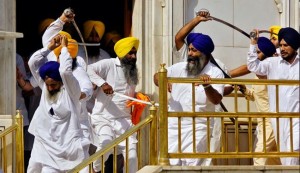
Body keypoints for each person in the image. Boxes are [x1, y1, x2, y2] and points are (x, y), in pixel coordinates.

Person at [153, 10, 225, 166]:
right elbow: (157, 76)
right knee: (170, 164)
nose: (190, 53)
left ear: (205, 53)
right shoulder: (181, 66)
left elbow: (216, 99)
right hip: (174, 124)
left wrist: (207, 86)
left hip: (199, 125)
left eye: (194, 50)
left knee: (193, 164)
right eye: (190, 49)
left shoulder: (215, 72)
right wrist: (162, 81)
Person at [27, 35, 88, 172]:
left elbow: (65, 72)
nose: (50, 88)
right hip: (46, 146)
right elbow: (32, 63)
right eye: (47, 85)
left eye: (53, 85)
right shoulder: (45, 87)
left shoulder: (71, 92)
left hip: (69, 148)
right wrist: (49, 48)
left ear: (61, 82)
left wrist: (64, 49)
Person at [41, 9, 94, 161]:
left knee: (80, 162)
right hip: (54, 125)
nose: (64, 60)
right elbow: (47, 36)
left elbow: (86, 86)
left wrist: (82, 94)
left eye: (68, 57)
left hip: (76, 125)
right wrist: (62, 19)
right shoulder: (52, 57)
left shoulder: (77, 67)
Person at [87, 37, 141, 173]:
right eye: (130, 53)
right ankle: (95, 170)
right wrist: (103, 84)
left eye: (134, 53)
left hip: (124, 120)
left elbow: (127, 93)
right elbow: (88, 69)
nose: (133, 56)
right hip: (103, 118)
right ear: (121, 53)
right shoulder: (109, 64)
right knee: (105, 145)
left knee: (132, 157)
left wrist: (138, 97)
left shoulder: (133, 69)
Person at [247, 27, 300, 165]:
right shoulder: (272, 63)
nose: (282, 48)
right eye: (281, 45)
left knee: (294, 150)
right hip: (278, 118)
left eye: (286, 45)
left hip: (296, 118)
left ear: (294, 47)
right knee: (284, 156)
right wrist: (253, 43)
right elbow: (253, 65)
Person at [227, 37, 281, 165]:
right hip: (262, 121)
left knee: (259, 155)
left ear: (266, 55)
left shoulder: (271, 73)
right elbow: (255, 95)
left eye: (257, 53)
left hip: (272, 120)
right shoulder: (258, 74)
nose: (254, 56)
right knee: (274, 157)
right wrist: (244, 89)